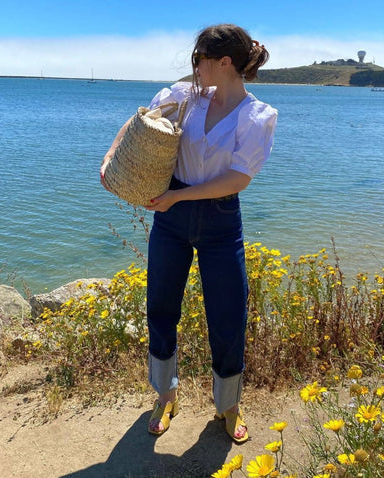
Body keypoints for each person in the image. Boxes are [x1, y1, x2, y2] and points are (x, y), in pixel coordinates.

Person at [101, 23, 277, 443]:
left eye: (199, 59)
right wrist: (109, 160)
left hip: (218, 219)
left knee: (229, 313)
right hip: (172, 218)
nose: (193, 66)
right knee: (160, 305)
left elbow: (237, 179)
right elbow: (138, 122)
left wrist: (180, 198)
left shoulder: (258, 116)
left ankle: (228, 406)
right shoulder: (185, 96)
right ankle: (165, 396)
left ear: (224, 63)